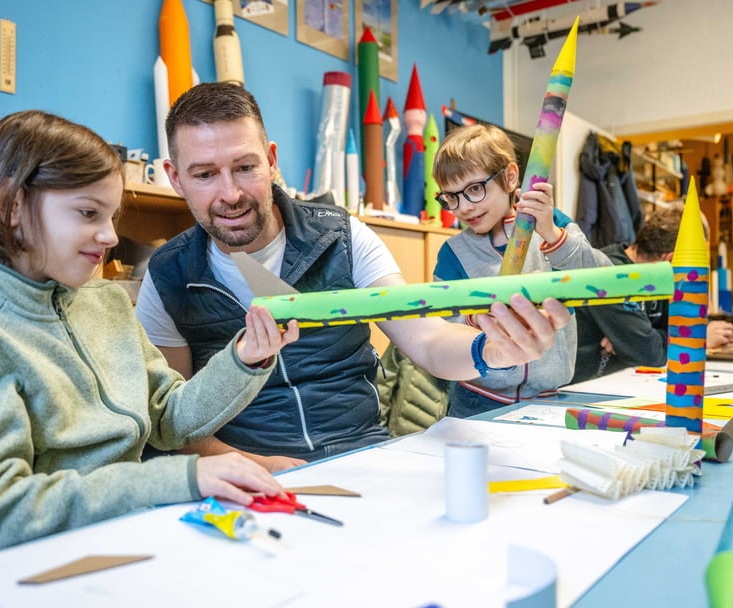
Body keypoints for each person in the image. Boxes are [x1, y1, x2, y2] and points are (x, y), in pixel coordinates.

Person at [0, 110, 294, 562]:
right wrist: (179, 478)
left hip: (122, 539)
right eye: (89, 213)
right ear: (9, 207)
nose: (110, 236)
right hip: (20, 570)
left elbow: (169, 419)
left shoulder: (106, 303)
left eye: (110, 215)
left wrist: (245, 357)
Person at [135, 83, 571, 469]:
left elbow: (428, 340)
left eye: (245, 167)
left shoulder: (341, 235)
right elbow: (176, 419)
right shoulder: (167, 275)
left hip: (362, 455)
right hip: (244, 476)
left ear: (271, 161)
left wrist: (492, 350)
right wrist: (255, 465)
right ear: (175, 178)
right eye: (205, 174)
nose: (230, 193)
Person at [431, 124, 613, 418]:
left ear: (510, 176)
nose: (464, 207)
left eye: (475, 189)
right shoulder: (453, 254)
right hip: (477, 399)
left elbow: (603, 281)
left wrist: (554, 236)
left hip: (550, 396)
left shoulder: (552, 224)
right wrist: (476, 317)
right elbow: (440, 328)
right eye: (451, 197)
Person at [571, 204, 733, 384]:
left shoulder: (660, 281)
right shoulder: (611, 274)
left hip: (616, 384)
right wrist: (697, 338)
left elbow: (675, 324)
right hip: (574, 391)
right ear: (671, 258)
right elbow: (650, 353)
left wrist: (630, 341)